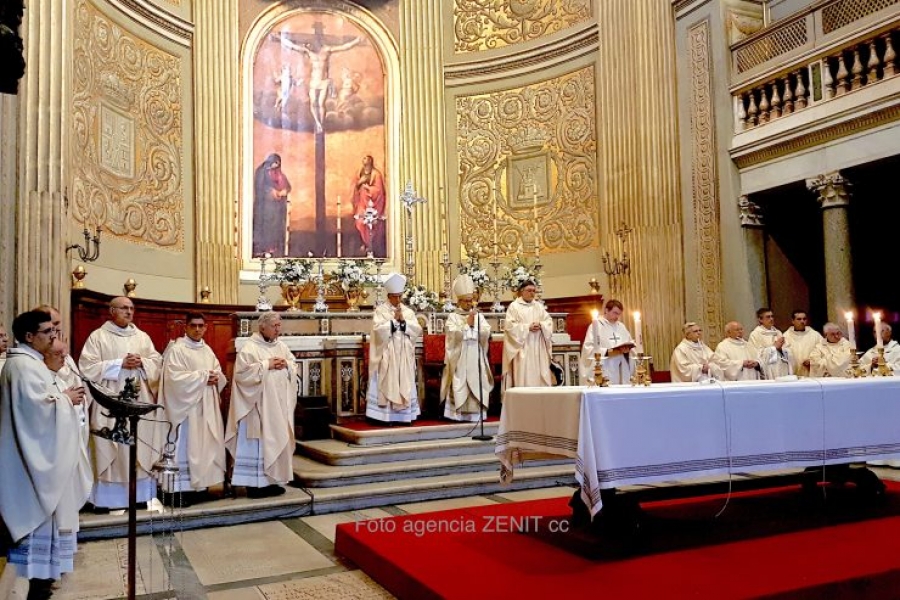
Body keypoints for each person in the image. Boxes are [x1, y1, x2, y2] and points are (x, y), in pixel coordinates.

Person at [0, 311, 85, 599]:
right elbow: (35, 413)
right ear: (29, 336)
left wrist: (61, 398)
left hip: (38, 460)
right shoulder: (22, 367)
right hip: (30, 465)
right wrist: (65, 400)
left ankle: (42, 582)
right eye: (47, 331)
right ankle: (37, 586)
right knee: (37, 528)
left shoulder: (31, 364)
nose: (53, 336)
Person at [78, 296, 162, 510]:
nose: (129, 312)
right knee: (109, 445)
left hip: (138, 400)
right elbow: (87, 368)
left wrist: (142, 362)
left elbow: (157, 363)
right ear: (111, 311)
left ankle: (140, 497)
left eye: (131, 308)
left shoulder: (142, 337)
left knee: (139, 443)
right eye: (124, 308)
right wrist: (119, 364)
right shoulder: (98, 337)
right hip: (109, 401)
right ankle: (107, 500)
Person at [158, 312, 227, 506]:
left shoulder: (207, 350)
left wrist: (215, 378)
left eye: (201, 326)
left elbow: (218, 373)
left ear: (205, 327)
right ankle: (178, 491)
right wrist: (204, 377)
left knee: (205, 445)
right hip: (185, 410)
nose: (197, 329)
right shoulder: (177, 350)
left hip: (205, 407)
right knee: (185, 446)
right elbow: (173, 380)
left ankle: (200, 487)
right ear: (186, 327)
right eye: (193, 326)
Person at [225, 312, 297, 498]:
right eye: (274, 326)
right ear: (262, 327)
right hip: (256, 409)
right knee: (257, 445)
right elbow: (241, 376)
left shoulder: (281, 346)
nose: (278, 329)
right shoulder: (249, 349)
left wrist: (287, 365)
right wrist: (266, 365)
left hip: (278, 409)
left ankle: (272, 481)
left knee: (277, 439)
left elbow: (293, 364)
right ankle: (254, 485)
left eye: (279, 325)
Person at [43, 339, 93, 540]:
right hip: (52, 452)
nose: (65, 360)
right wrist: (66, 401)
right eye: (59, 356)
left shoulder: (59, 378)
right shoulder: (39, 377)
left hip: (68, 443)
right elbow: (38, 410)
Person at [366, 273, 422, 423]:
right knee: (388, 380)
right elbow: (377, 331)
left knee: (404, 379)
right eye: (395, 297)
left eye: (400, 296)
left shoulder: (408, 312)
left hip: (403, 352)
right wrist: (392, 322)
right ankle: (385, 416)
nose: (398, 300)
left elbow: (416, 329)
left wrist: (403, 322)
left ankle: (404, 416)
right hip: (387, 353)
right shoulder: (381, 311)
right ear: (389, 295)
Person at [279, 33, 361, 133]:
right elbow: (292, 46)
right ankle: (318, 123)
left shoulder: (327, 50)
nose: (309, 46)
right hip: (314, 82)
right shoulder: (308, 52)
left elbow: (343, 47)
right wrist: (280, 38)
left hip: (324, 82)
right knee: (313, 103)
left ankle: (321, 124)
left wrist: (356, 41)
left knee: (321, 104)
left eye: (311, 45)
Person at [441, 274, 492, 422]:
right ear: (459, 301)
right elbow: (452, 334)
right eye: (467, 301)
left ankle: (476, 414)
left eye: (472, 301)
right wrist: (467, 325)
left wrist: (474, 327)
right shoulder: (453, 317)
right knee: (460, 381)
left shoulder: (478, 316)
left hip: (475, 356)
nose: (470, 304)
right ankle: (457, 414)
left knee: (477, 380)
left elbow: (486, 332)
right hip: (460, 357)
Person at [502, 280, 553, 393]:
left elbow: (548, 321)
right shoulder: (514, 307)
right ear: (521, 291)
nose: (532, 293)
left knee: (539, 376)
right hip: (522, 348)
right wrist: (527, 328)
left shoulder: (538, 306)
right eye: (529, 290)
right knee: (524, 377)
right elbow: (510, 327)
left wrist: (541, 325)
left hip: (538, 348)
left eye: (534, 291)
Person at [579, 299, 635, 385]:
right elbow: (588, 348)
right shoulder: (596, 325)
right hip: (605, 368)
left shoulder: (621, 326)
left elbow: (631, 344)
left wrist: (628, 349)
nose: (617, 316)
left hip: (620, 369)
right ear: (606, 310)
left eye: (619, 314)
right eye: (615, 313)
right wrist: (607, 352)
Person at [252, 153, 292, 258]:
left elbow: (287, 186)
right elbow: (260, 188)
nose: (275, 166)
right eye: (274, 163)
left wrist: (284, 191)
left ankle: (275, 249)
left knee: (276, 228)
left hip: (277, 209)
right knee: (266, 228)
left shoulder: (278, 173)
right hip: (265, 208)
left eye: (277, 164)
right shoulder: (261, 173)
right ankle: (263, 250)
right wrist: (271, 192)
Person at [352, 155, 386, 257]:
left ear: (371, 161)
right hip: (362, 204)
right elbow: (356, 187)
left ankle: (370, 247)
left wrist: (367, 188)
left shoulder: (376, 174)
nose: (364, 160)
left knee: (373, 226)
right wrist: (359, 185)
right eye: (363, 159)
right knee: (360, 222)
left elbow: (379, 191)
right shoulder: (360, 172)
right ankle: (365, 244)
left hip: (373, 206)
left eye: (366, 159)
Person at [748, 307, 792, 379]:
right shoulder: (756, 334)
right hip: (768, 369)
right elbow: (756, 354)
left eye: (772, 316)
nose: (771, 319)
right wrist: (773, 348)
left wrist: (782, 349)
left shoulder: (778, 332)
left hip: (782, 368)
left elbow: (788, 350)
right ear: (760, 319)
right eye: (768, 317)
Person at [782, 310, 824, 377]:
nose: (802, 321)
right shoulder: (786, 336)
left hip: (810, 372)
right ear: (792, 321)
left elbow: (823, 351)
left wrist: (812, 361)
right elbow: (782, 356)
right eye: (799, 319)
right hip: (793, 374)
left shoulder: (815, 335)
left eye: (804, 319)